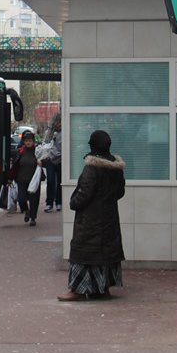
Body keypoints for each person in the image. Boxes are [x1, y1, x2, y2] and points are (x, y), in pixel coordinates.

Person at [59, 129, 126, 302]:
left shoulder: (92, 168)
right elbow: (119, 192)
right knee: (104, 254)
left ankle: (78, 290)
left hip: (90, 221)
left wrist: (74, 202)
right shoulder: (116, 168)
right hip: (110, 220)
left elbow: (84, 194)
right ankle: (102, 290)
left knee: (84, 253)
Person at [8, 130, 43, 226]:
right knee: (21, 199)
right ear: (24, 141)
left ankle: (32, 218)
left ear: (33, 142)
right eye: (26, 141)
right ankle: (26, 210)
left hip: (34, 180)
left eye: (30, 141)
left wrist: (41, 163)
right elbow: (14, 166)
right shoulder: (20, 152)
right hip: (21, 180)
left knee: (33, 200)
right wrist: (10, 178)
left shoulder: (37, 152)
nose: (28, 143)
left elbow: (46, 161)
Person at [44, 113, 63, 212]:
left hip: (61, 160)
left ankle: (59, 202)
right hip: (50, 160)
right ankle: (49, 202)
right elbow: (44, 145)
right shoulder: (48, 133)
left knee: (60, 181)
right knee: (50, 181)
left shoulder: (64, 132)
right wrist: (46, 156)